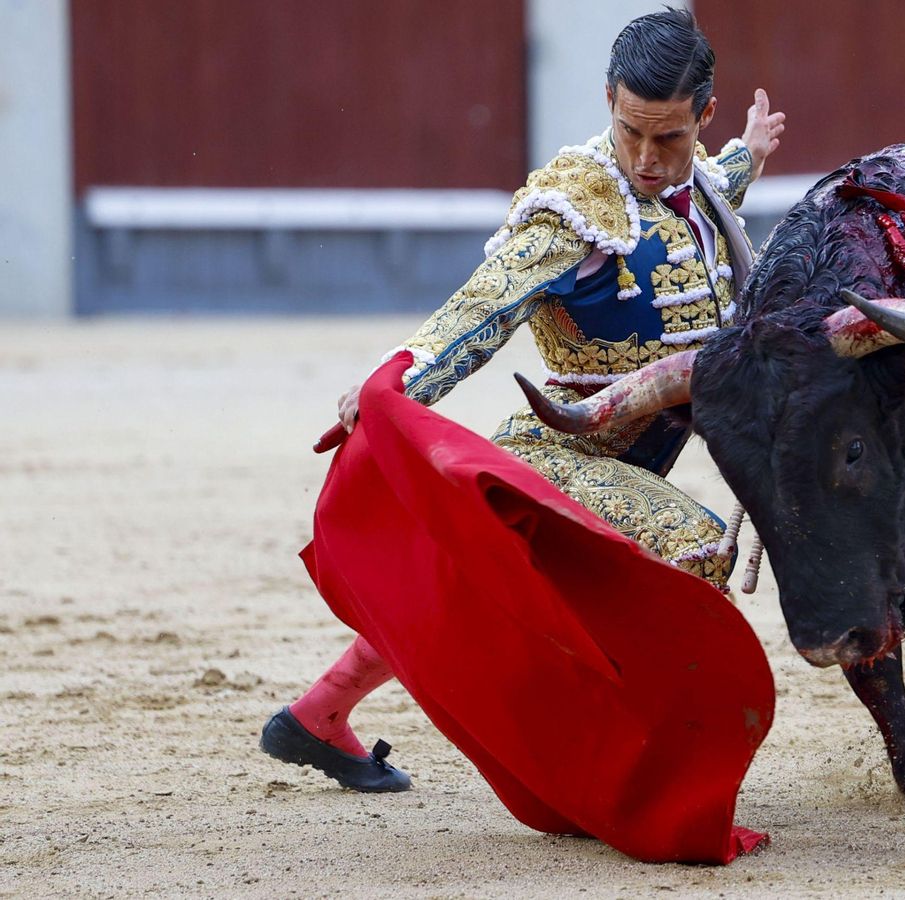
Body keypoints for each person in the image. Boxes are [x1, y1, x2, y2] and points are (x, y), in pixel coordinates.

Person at [260, 9, 786, 791]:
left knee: (464, 590)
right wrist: (395, 382)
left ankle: (316, 716)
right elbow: (484, 307)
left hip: (626, 456)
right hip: (562, 453)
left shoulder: (694, 176)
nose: (646, 159)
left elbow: (702, 188)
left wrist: (750, 151)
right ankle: (620, 765)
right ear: (608, 96)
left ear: (701, 118)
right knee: (693, 547)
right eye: (630, 131)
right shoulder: (572, 209)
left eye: (669, 138)